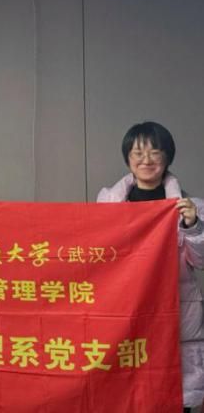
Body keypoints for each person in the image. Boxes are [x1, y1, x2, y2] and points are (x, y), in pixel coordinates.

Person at [96, 121, 204, 412]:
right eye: (137, 153)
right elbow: (97, 256)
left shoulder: (190, 206)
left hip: (176, 309)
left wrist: (193, 225)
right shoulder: (107, 205)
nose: (146, 160)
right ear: (128, 158)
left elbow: (201, 260)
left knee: (174, 393)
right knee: (129, 392)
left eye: (155, 152)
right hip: (126, 309)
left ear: (167, 157)